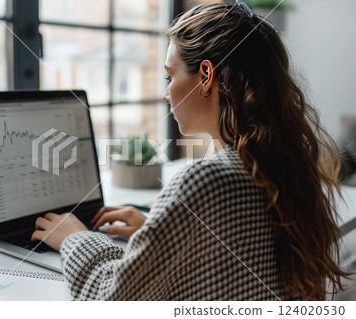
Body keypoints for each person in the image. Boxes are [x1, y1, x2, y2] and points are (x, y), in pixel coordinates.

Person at [31, 2, 348, 300]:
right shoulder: (280, 166)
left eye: (171, 75)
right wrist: (161, 236)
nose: (166, 94)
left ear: (207, 76)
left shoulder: (208, 181)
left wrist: (74, 238)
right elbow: (239, 263)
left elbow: (112, 299)